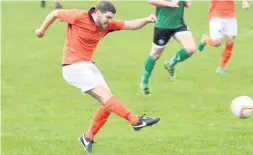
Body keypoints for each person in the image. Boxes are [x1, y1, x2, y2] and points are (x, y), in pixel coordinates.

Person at [35, 1, 160, 153]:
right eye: (107, 17)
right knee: (107, 98)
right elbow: (55, 13)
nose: (109, 21)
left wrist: (146, 20)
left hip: (88, 65)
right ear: (98, 12)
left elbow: (130, 25)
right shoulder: (78, 16)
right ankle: (136, 121)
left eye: (111, 18)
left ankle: (87, 137)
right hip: (72, 66)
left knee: (108, 104)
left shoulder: (107, 25)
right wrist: (42, 30)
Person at [139, 0, 196, 95]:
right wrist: (170, 4)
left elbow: (186, 3)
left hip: (179, 24)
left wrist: (186, 2)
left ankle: (170, 64)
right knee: (155, 55)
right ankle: (143, 83)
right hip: (163, 25)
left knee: (191, 49)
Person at [197, 0, 250, 75]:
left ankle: (221, 67)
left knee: (230, 42)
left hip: (230, 14)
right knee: (217, 42)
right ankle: (205, 40)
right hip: (215, 14)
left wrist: (244, 1)